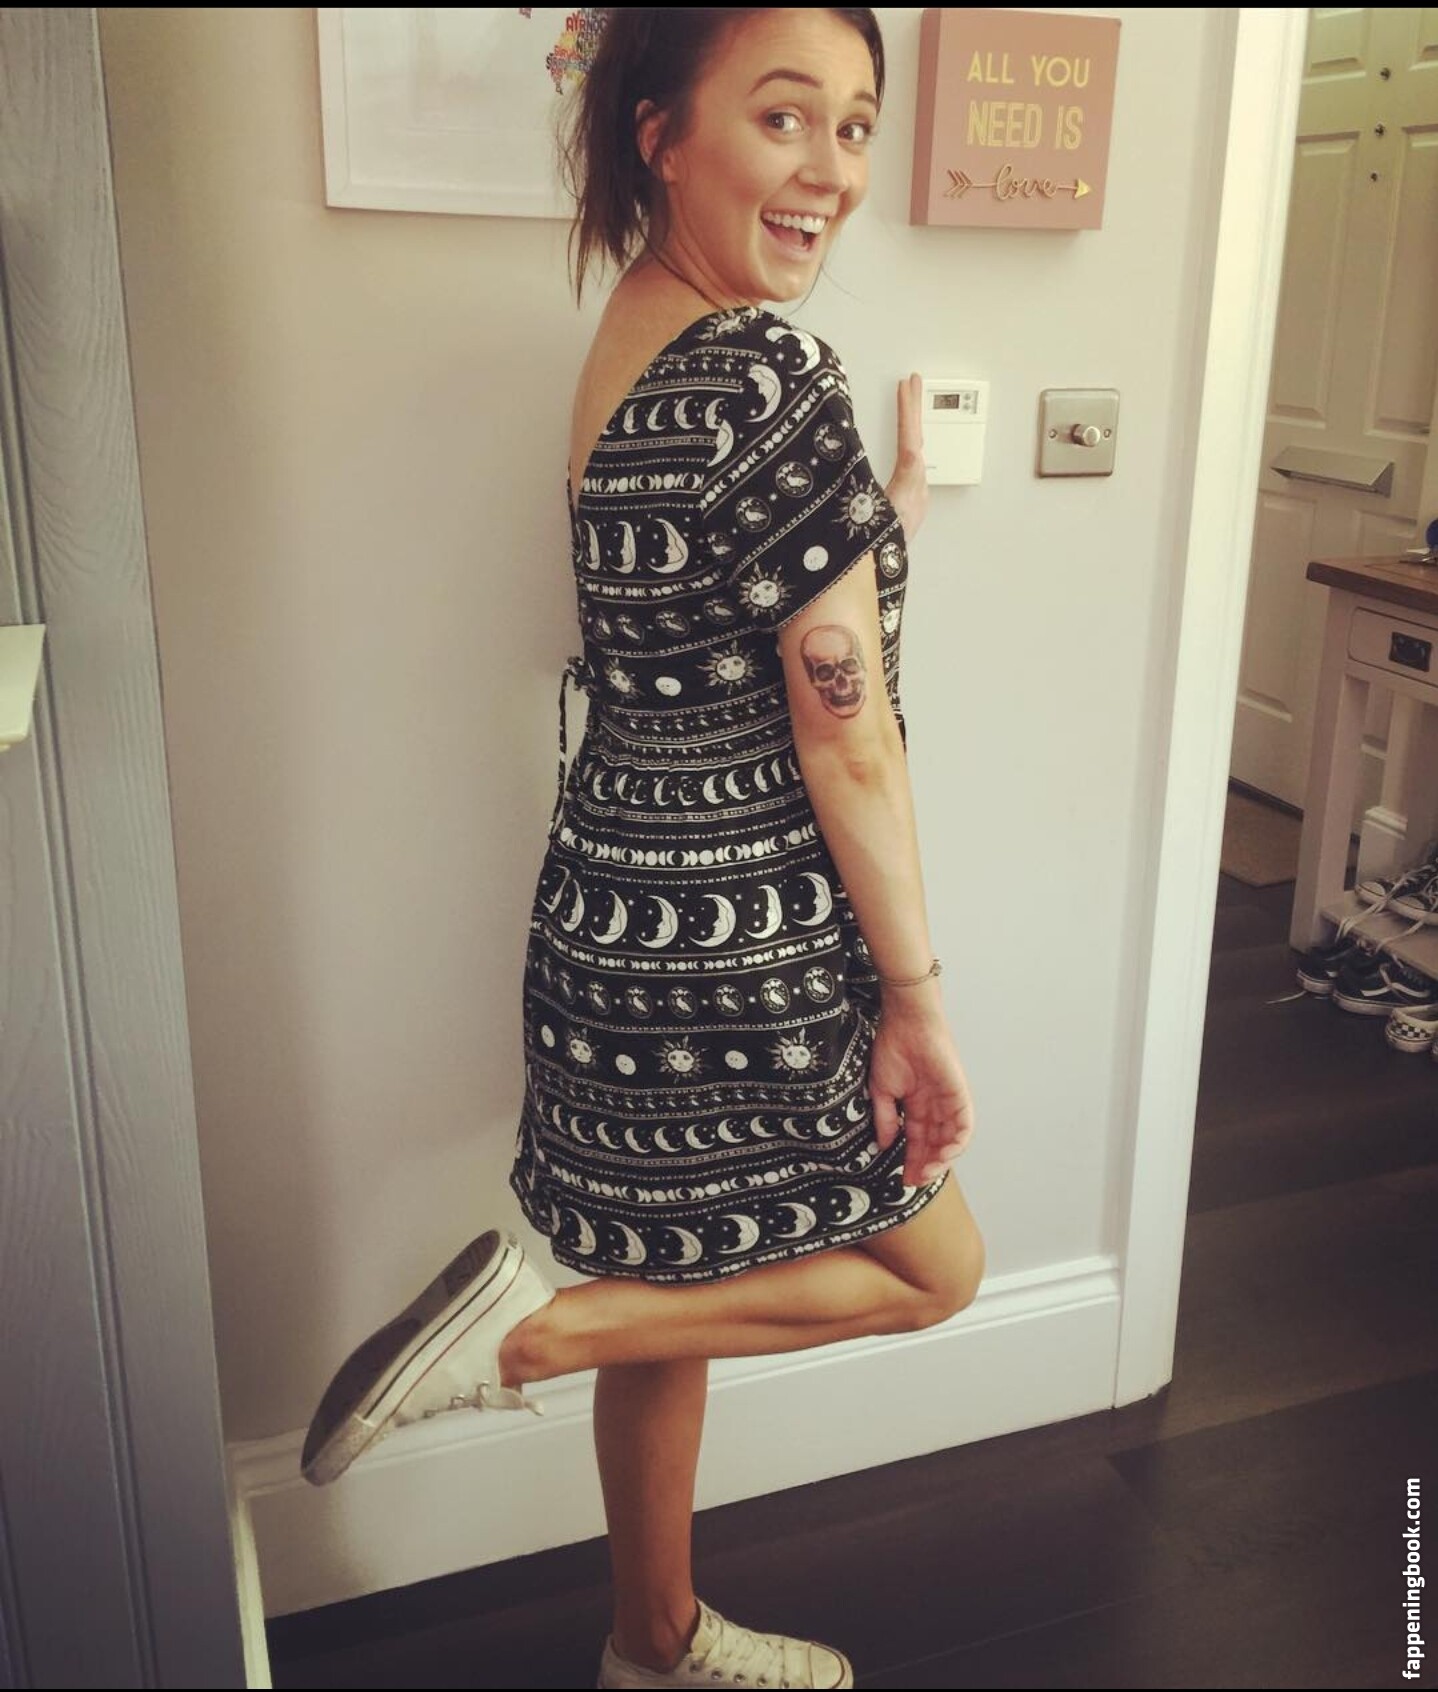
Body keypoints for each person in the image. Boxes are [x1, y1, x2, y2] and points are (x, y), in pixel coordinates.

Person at [301, 10, 985, 1687]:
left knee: (672, 1296)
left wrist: (884, 500)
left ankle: (651, 1643)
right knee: (934, 1269)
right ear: (660, 132)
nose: (830, 167)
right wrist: (914, 997)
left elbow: (723, 605)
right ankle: (524, 1340)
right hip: (744, 934)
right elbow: (843, 729)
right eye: (783, 116)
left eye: (854, 124)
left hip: (616, 905)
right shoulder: (769, 372)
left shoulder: (636, 334)